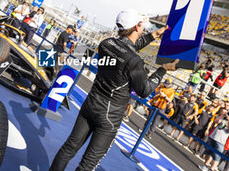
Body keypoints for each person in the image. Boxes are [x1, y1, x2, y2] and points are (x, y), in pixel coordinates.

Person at [49, 10, 179, 171]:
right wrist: (162, 70)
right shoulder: (135, 60)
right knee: (88, 164)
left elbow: (127, 47)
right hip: (110, 116)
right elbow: (144, 90)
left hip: (90, 104)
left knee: (68, 148)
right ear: (137, 27)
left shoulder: (106, 43)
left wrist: (154, 35)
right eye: (142, 25)